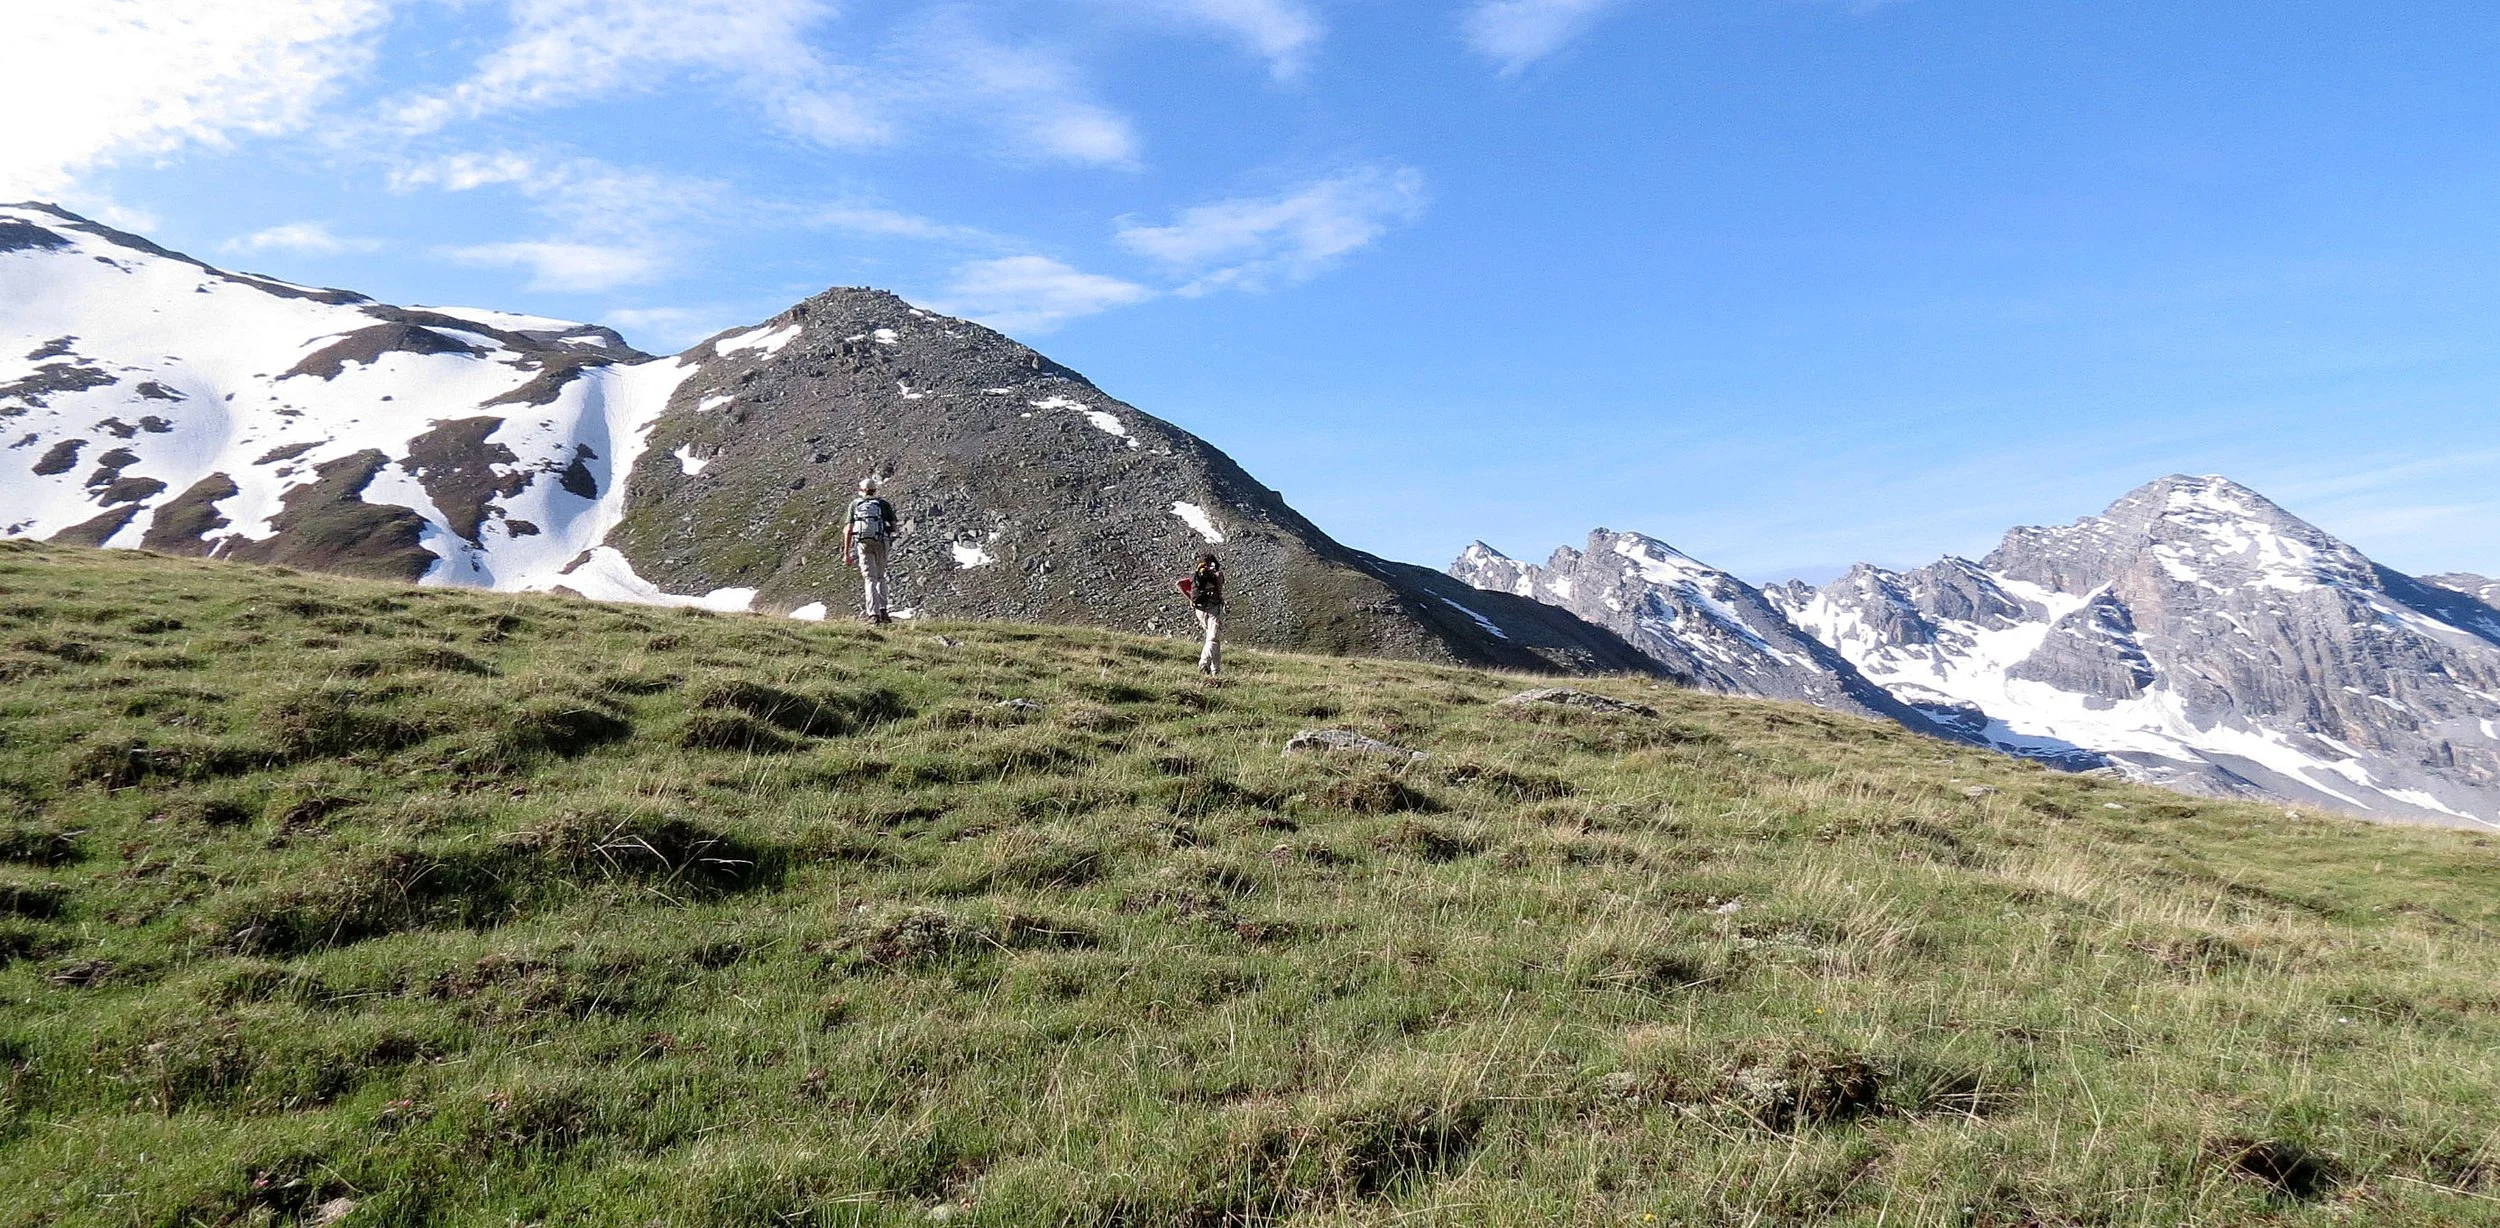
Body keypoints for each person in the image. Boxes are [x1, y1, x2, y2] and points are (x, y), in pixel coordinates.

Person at [842, 477, 897, 624]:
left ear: (861, 490)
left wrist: (846, 554)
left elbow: (848, 530)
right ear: (875, 490)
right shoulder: (883, 504)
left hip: (863, 544)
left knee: (869, 578)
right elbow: (894, 527)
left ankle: (873, 614)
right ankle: (884, 612)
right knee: (880, 577)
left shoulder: (855, 505)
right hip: (881, 541)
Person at [1179, 553, 1225, 675]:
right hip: (1214, 608)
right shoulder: (1216, 575)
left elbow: (1179, 584)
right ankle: (1203, 664)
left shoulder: (1196, 576)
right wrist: (1219, 597)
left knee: (1212, 639)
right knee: (1213, 638)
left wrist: (1190, 598)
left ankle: (1216, 671)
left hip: (1199, 610)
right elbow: (1219, 588)